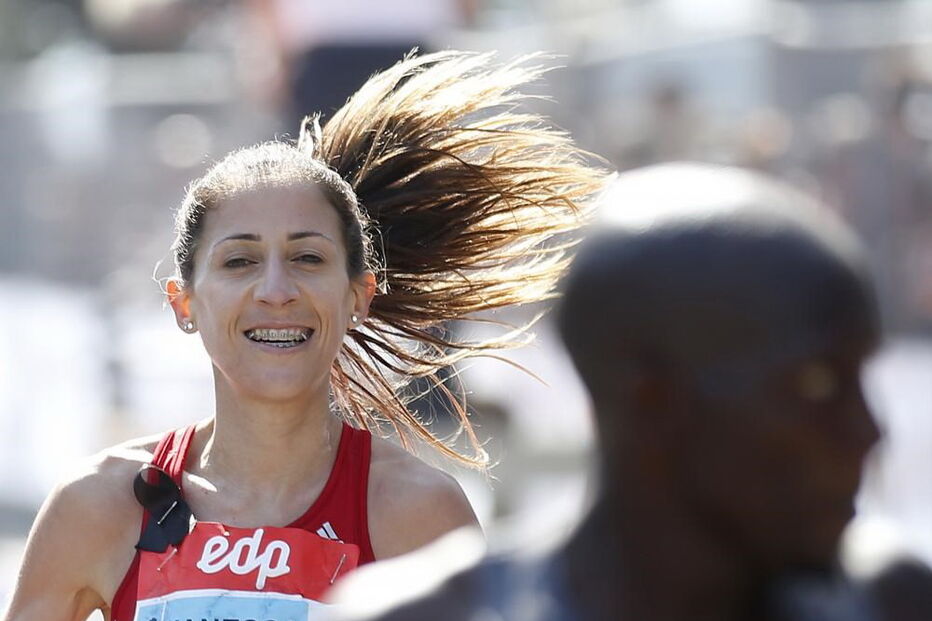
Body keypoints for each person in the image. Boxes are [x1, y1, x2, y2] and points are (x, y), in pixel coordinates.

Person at [1, 51, 606, 621]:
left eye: (308, 259)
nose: (276, 289)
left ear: (357, 298)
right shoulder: (98, 505)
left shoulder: (417, 514)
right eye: (239, 261)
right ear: (183, 302)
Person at [333, 162, 887, 621]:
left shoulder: (891, 602)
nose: (869, 431)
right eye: (818, 386)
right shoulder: (427, 615)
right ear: (652, 397)